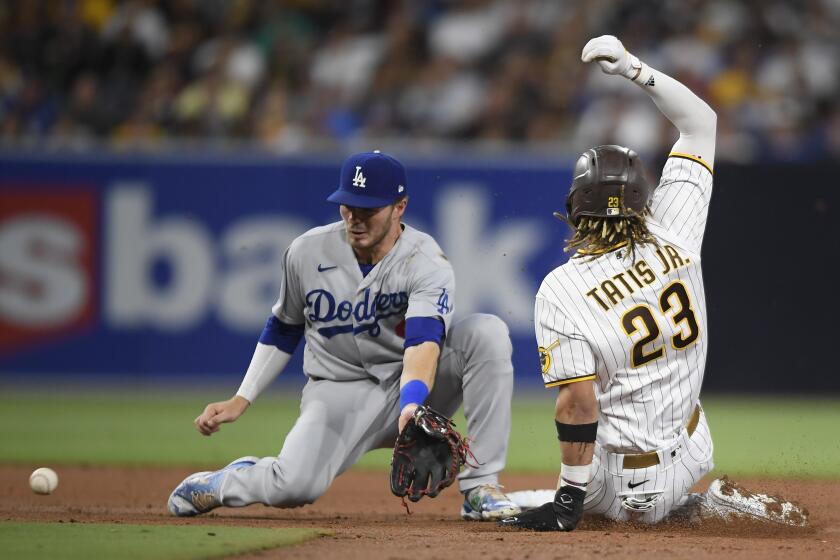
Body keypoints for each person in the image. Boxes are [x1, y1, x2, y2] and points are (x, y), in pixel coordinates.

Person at [500, 35, 807, 530]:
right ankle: (691, 504)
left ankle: (581, 502)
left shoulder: (561, 288)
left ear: (576, 210)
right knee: (665, 438)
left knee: (540, 494)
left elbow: (577, 404)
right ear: (644, 197)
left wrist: (568, 500)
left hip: (611, 480)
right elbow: (702, 122)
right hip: (690, 451)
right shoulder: (675, 230)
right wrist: (632, 68)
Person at [167, 150, 521, 521]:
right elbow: (285, 326)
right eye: (348, 206)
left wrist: (413, 403)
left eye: (368, 209)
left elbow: (423, 343)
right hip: (338, 389)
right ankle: (224, 482)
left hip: (413, 385)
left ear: (400, 207)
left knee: (487, 333)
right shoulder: (306, 252)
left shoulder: (425, 262)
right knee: (294, 487)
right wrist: (242, 398)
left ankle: (481, 485)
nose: (355, 218)